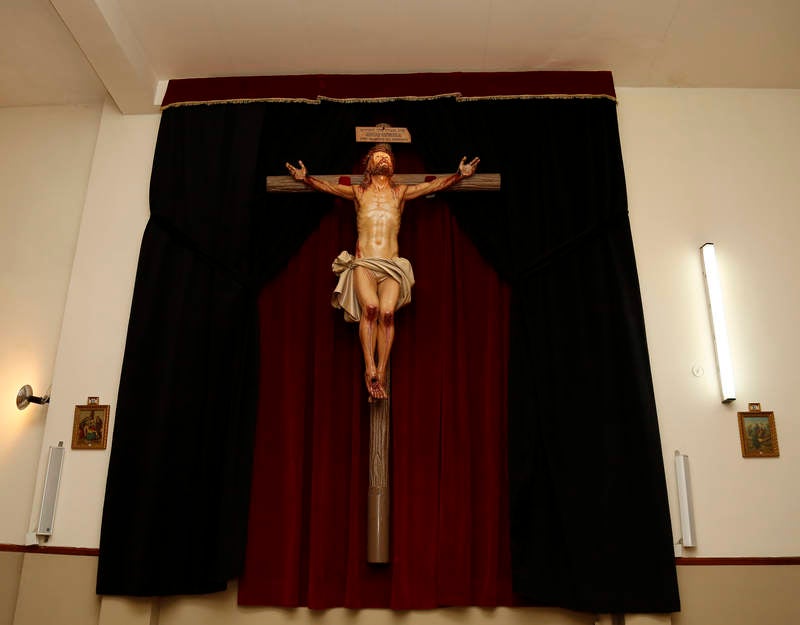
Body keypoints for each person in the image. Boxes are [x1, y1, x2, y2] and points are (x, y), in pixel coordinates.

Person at [286, 144, 479, 400]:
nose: (383, 160)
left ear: (393, 164)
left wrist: (459, 175)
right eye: (378, 156)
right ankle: (370, 367)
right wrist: (306, 179)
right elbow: (330, 187)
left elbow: (431, 187)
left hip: (391, 264)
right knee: (372, 309)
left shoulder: (399, 193)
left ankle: (381, 370)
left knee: (387, 314)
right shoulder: (358, 192)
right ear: (369, 164)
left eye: (387, 157)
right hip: (365, 263)